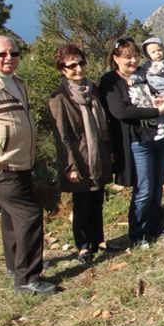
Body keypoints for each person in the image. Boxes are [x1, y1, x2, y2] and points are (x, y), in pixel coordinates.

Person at [0, 36, 59, 295]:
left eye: (14, 53)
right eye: (2, 54)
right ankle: (27, 278)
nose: (9, 58)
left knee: (11, 214)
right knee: (29, 214)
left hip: (19, 162)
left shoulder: (17, 83)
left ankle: (15, 264)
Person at [99, 36, 164, 248]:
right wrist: (156, 111)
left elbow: (158, 93)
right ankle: (139, 233)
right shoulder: (110, 81)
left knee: (157, 186)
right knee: (144, 188)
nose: (133, 60)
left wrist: (163, 101)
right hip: (137, 141)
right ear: (115, 58)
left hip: (159, 136)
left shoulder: (142, 76)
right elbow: (121, 111)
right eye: (127, 57)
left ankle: (156, 226)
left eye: (135, 56)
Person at [49, 44, 113, 265]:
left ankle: (98, 240)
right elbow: (62, 136)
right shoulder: (60, 98)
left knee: (97, 200)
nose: (78, 69)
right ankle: (83, 246)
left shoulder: (93, 89)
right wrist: (70, 166)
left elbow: (104, 124)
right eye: (72, 65)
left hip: (98, 155)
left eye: (81, 63)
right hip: (79, 159)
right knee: (82, 204)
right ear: (62, 69)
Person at [131, 37, 164, 141]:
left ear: (163, 50)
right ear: (147, 55)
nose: (157, 53)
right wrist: (133, 79)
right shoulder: (147, 66)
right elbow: (142, 76)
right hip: (155, 92)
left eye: (159, 50)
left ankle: (163, 128)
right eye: (153, 52)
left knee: (160, 108)